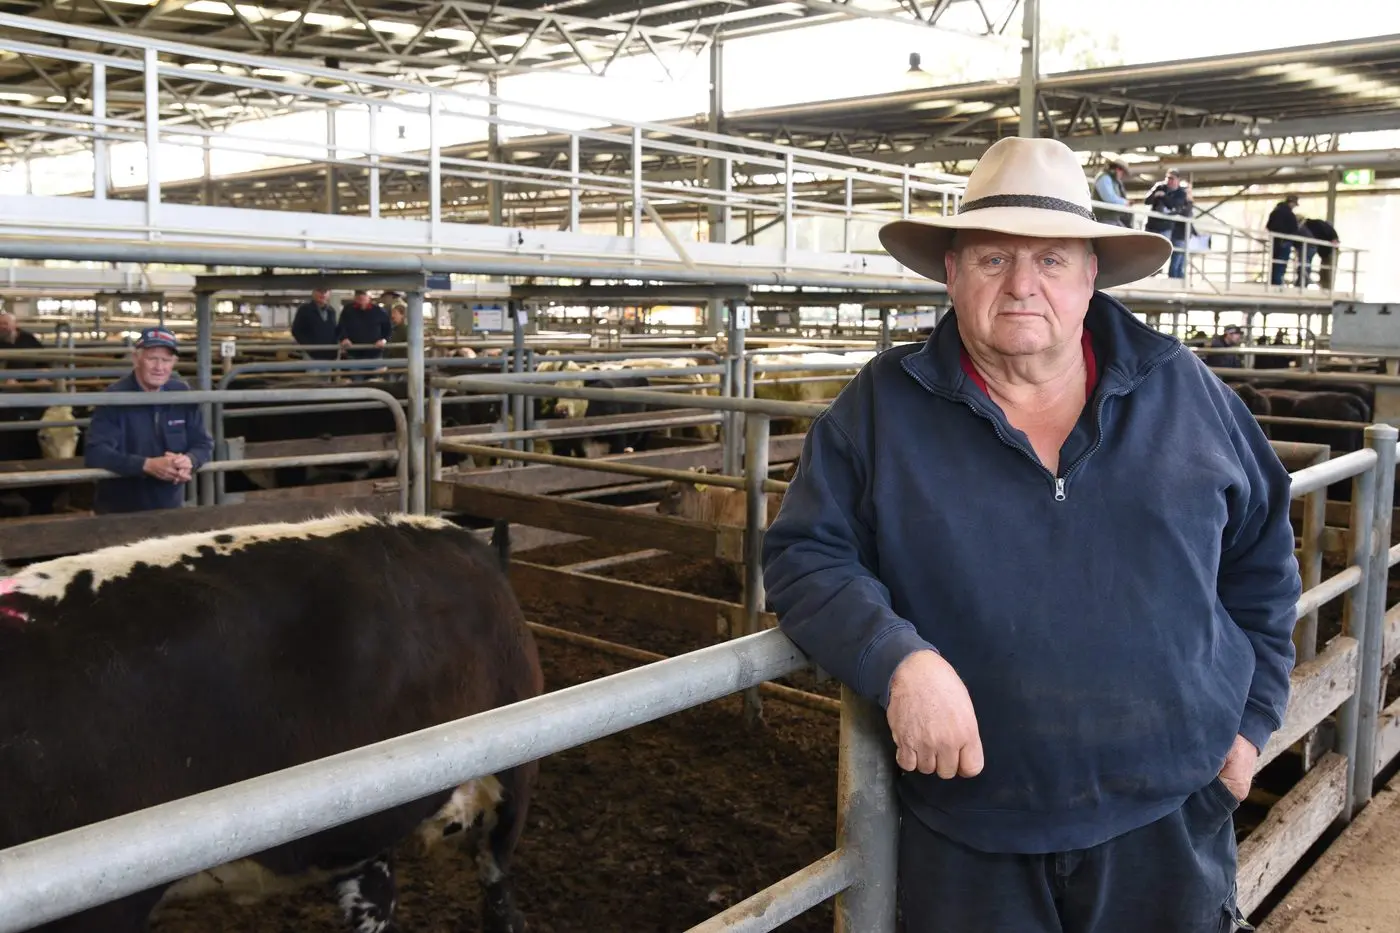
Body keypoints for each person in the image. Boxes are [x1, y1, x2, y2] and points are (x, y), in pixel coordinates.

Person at [763, 136, 1299, 933]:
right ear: (951, 272)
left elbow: (1262, 552)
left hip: (1167, 818)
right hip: (968, 830)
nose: (1021, 286)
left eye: (1050, 260)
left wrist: (1252, 723)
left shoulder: (1184, 392)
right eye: (991, 260)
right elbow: (806, 554)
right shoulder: (882, 409)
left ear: (1091, 276)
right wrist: (901, 660)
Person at [84, 327, 213, 515]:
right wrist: (146, 465)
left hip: (170, 507)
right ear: (136, 359)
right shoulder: (114, 398)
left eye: (166, 360)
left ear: (174, 363)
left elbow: (203, 443)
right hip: (119, 510)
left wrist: (189, 460)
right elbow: (96, 453)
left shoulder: (182, 395)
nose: (159, 367)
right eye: (152, 358)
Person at [1143, 169, 1192, 279]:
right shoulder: (1159, 186)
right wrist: (1156, 194)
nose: (1169, 181)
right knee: (1146, 251)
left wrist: (1163, 196)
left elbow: (1175, 206)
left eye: (1172, 178)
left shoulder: (1181, 193)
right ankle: (1147, 273)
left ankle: (1156, 272)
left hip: (1166, 227)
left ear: (1177, 180)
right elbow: (1147, 200)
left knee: (1162, 253)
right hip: (1151, 225)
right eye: (1167, 178)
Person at [337, 290, 391, 362]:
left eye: (364, 294)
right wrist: (344, 338)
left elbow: (388, 329)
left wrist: (383, 340)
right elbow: (341, 327)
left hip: (374, 354)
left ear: (369, 296)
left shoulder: (379, 310)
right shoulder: (348, 310)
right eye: (358, 293)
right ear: (355, 296)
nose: (361, 296)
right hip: (353, 354)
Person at [291, 288, 340, 360]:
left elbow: (334, 330)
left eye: (325, 291)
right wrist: (308, 347)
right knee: (313, 371)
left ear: (329, 294)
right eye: (319, 291)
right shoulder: (304, 309)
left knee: (327, 371)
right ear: (313, 293)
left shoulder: (331, 311)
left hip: (329, 354)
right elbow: (296, 330)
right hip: (312, 354)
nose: (323, 294)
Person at [1266, 195, 1300, 287]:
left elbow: (1269, 226)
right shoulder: (1290, 214)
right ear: (1291, 203)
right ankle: (1277, 285)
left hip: (1275, 241)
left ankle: (1272, 283)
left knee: (1274, 263)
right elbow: (1294, 230)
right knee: (1281, 265)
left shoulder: (1275, 212)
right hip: (1285, 241)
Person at [1298, 215, 1340, 290]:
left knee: (1328, 271)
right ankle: (1325, 288)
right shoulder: (1311, 226)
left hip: (1330, 249)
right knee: (1324, 271)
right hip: (1324, 251)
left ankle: (1327, 289)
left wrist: (1334, 237)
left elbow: (1328, 229)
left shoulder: (1314, 224)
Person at [1090, 160, 1130, 226]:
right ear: (1117, 169)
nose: (1122, 175)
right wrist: (1125, 202)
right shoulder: (1104, 177)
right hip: (1104, 218)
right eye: (1122, 172)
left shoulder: (1114, 181)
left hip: (1112, 218)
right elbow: (1108, 197)